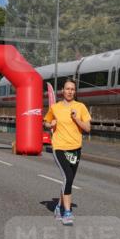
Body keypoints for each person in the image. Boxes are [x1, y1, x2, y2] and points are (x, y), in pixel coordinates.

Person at [44, 78, 91, 226]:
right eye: (67, 89)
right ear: (62, 91)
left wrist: (77, 119)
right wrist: (49, 124)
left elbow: (88, 128)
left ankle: (58, 207)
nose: (70, 91)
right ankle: (67, 211)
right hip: (59, 147)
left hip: (75, 148)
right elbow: (46, 122)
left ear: (75, 91)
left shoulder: (81, 107)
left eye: (72, 89)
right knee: (68, 177)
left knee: (68, 180)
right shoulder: (55, 107)